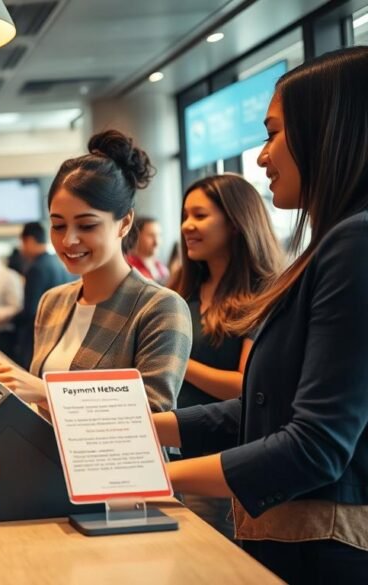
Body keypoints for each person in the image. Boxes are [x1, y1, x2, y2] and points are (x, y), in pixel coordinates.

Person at [154, 46, 368, 583]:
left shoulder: (355, 243)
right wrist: (143, 426)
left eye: (272, 134)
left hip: (325, 549)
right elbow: (264, 406)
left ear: (326, 131)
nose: (262, 157)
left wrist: (152, 475)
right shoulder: (332, 245)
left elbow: (315, 446)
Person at [0, 130, 191, 414]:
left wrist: (45, 391)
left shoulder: (160, 308)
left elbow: (154, 414)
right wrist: (1, 398)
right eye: (58, 225)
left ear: (125, 223)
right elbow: (47, 413)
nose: (68, 240)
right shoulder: (53, 302)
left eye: (87, 225)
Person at [167, 174, 284, 538]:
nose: (187, 226)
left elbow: (246, 386)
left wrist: (176, 361)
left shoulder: (263, 294)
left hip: (220, 462)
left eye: (200, 216)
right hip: (170, 450)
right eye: (185, 215)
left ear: (235, 222)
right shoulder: (181, 289)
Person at [12, 221, 74, 368]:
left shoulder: (36, 268)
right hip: (61, 332)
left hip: (38, 337)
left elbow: (30, 310)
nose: (22, 248)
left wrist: (10, 320)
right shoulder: (58, 262)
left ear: (29, 241)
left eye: (22, 243)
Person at [126, 216, 170, 284]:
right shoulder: (128, 267)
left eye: (159, 235)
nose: (157, 242)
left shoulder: (163, 269)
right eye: (151, 235)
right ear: (137, 237)